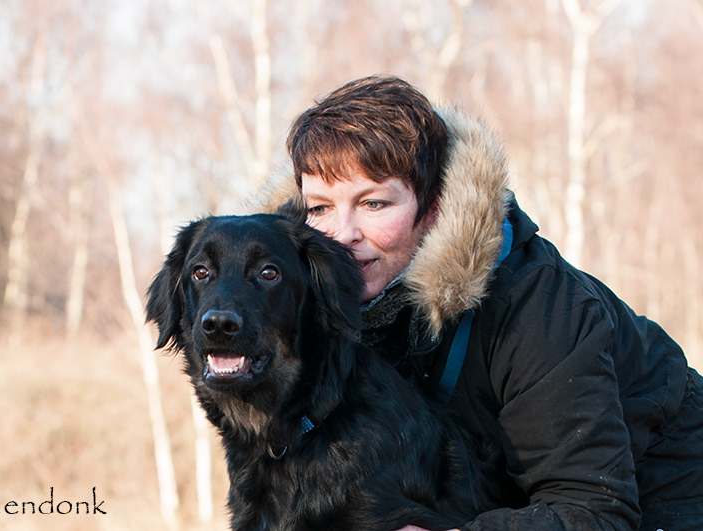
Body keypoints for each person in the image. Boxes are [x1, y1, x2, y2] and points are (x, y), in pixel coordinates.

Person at [258, 75, 703, 530]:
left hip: (670, 480)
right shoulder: (307, 300)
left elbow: (593, 510)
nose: (342, 234)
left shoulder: (535, 308)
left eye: (373, 204)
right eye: (319, 209)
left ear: (431, 210)